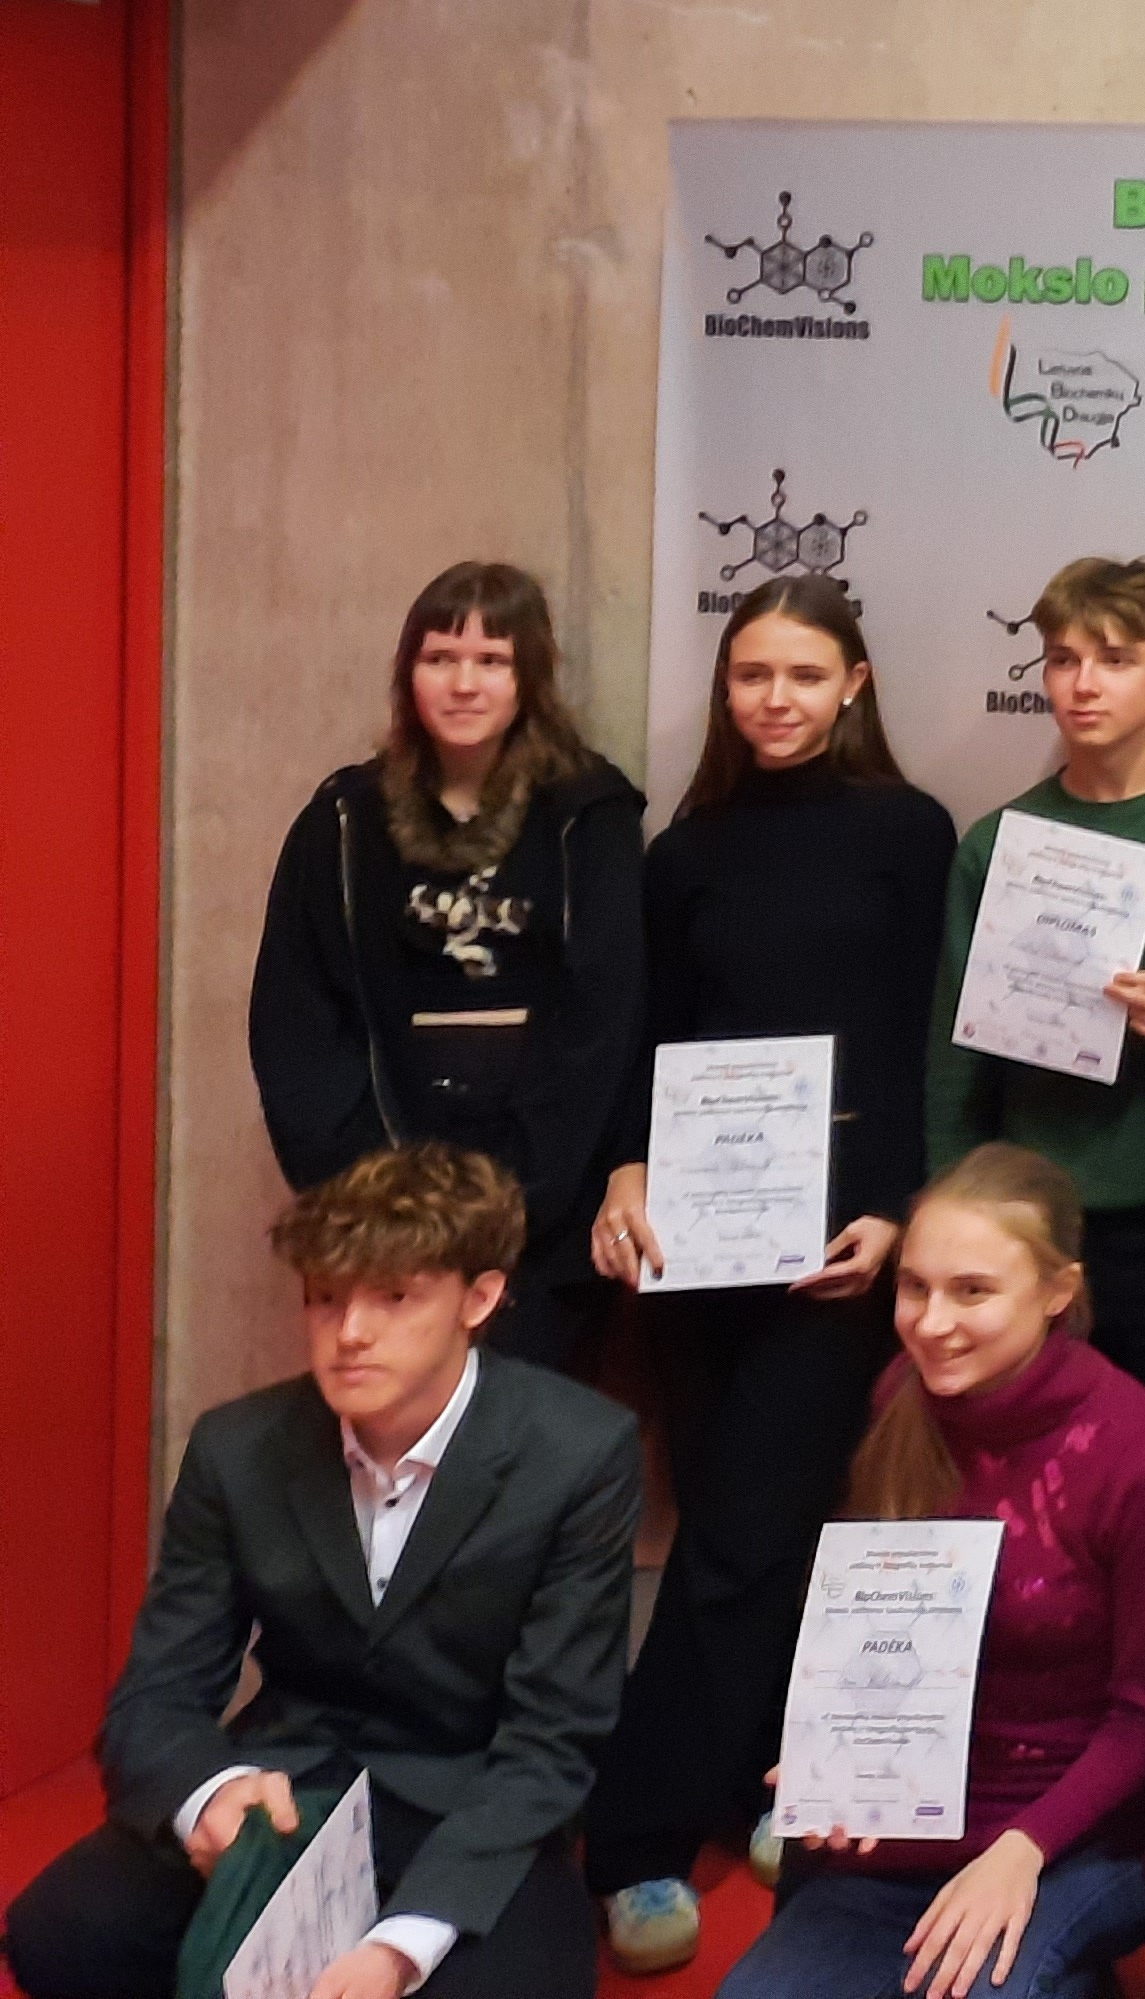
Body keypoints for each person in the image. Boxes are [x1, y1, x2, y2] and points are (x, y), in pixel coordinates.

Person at [4, 1145, 640, 1999]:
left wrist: (400, 1948)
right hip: (289, 1793)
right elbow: (156, 1693)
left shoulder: (578, 1452)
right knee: (60, 1933)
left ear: (478, 1300)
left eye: (395, 1297)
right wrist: (212, 1796)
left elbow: (553, 1739)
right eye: (326, 1298)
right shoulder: (239, 1448)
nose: (349, 1333)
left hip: (471, 1805)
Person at [580, 578, 960, 1965]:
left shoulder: (911, 835)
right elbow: (651, 1038)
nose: (776, 701)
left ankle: (627, 1834)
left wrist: (905, 1215)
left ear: (854, 683)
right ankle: (770, 1783)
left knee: (755, 1526)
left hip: (842, 1247)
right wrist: (625, 1171)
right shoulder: (684, 852)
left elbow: (930, 1037)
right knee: (742, 1524)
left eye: (804, 675)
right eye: (751, 676)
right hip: (699, 1238)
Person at [719, 1144, 1145, 1999]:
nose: (932, 1321)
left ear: (1058, 1293)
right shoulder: (901, 1394)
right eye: (915, 1287)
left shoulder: (1140, 1456)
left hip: (1077, 1835)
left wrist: (1021, 1852)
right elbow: (879, 1635)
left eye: (972, 1291)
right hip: (903, 1824)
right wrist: (833, 1760)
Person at [926, 556, 1145, 1508]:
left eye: (1115, 659)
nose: (1083, 684)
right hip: (1035, 1224)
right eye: (1061, 660)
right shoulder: (997, 843)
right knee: (1026, 1488)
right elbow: (955, 1060)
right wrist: (950, 1214)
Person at [249, 560, 645, 1371]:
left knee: (515, 1441)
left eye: (492, 662)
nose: (464, 684)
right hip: (382, 1200)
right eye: (440, 659)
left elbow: (605, 1017)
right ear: (408, 674)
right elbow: (298, 1020)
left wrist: (520, 1195)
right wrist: (375, 1194)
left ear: (528, 678)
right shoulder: (344, 819)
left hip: (547, 1210)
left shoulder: (589, 815)